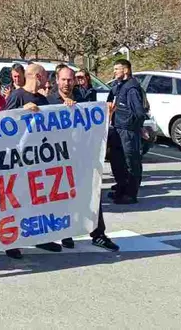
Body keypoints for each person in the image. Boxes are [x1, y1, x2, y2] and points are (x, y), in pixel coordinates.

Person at [46, 65, 119, 252]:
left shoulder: (84, 99)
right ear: (57, 80)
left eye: (70, 79)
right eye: (63, 79)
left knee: (92, 194)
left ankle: (98, 234)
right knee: (62, 198)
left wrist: (108, 115)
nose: (67, 83)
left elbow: (95, 125)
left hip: (83, 156)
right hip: (60, 159)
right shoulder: (49, 101)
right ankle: (65, 233)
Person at [3, 63, 62, 256]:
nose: (47, 80)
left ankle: (41, 237)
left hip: (38, 158)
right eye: (45, 76)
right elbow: (2, 123)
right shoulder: (17, 96)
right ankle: (11, 242)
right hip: (19, 158)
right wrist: (21, 112)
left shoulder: (43, 100)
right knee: (17, 201)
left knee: (38, 200)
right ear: (37, 76)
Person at [107, 59, 147, 205]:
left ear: (126, 70)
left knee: (131, 162)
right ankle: (121, 189)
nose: (114, 72)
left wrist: (136, 127)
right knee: (118, 162)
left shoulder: (132, 88)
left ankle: (130, 194)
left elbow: (139, 112)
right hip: (118, 129)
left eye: (117, 69)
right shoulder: (120, 86)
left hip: (128, 131)